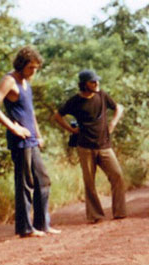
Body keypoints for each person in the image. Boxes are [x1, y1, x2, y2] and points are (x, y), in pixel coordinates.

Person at [0, 45, 59, 238]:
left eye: (36, 68)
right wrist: (14, 127)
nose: (33, 72)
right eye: (30, 68)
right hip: (19, 141)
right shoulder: (10, 81)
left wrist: (38, 134)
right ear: (21, 65)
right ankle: (25, 228)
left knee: (43, 180)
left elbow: (30, 112)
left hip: (32, 139)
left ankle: (42, 224)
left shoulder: (27, 82)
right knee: (25, 183)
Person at [52, 69, 127, 223]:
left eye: (97, 81)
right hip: (85, 146)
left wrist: (113, 123)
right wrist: (71, 129)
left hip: (104, 145)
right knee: (89, 182)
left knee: (117, 175)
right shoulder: (75, 101)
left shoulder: (102, 95)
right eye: (93, 81)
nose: (96, 83)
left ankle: (119, 211)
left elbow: (119, 108)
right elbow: (58, 116)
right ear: (84, 84)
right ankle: (95, 215)